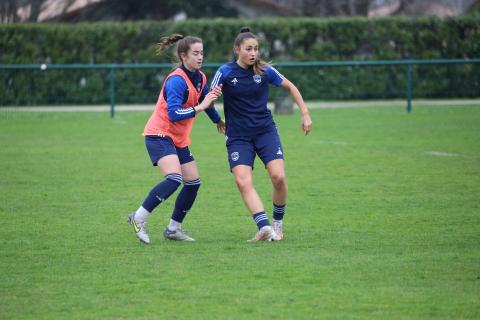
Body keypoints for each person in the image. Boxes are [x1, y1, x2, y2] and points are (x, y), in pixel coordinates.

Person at [211, 27, 312, 242]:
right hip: (238, 136)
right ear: (237, 49)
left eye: (256, 49)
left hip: (265, 131)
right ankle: (264, 226)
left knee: (279, 177)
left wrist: (305, 114)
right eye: (248, 49)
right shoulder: (225, 72)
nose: (253, 53)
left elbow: (291, 86)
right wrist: (216, 118)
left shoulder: (265, 71)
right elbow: (208, 98)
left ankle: (277, 224)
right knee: (242, 181)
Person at [128, 34, 224, 244]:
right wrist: (200, 107)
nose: (200, 57)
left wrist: (218, 120)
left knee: (193, 183)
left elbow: (206, 101)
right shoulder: (177, 81)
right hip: (159, 134)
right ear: (183, 56)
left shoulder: (200, 77)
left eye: (201, 53)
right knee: (174, 179)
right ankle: (138, 217)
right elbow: (174, 113)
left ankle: (173, 229)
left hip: (178, 138)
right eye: (195, 53)